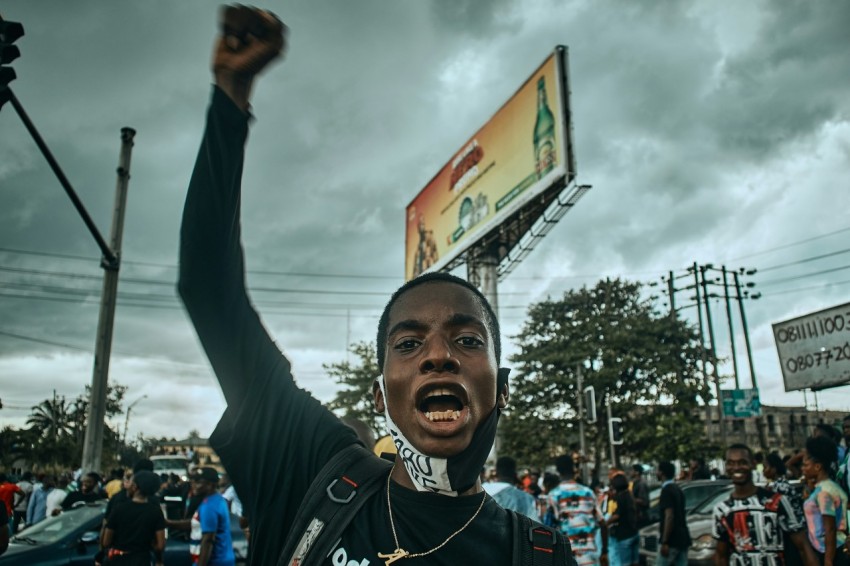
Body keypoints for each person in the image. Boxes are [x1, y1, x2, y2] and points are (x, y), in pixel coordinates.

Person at [177, 5, 574, 566]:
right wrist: (230, 97)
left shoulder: (536, 552)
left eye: (467, 339)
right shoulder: (313, 474)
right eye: (408, 344)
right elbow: (208, 288)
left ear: (501, 389)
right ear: (379, 394)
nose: (438, 355)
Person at [712, 443, 817, 566]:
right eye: (731, 463)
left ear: (753, 464)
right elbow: (721, 556)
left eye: (742, 462)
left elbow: (803, 547)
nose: (736, 467)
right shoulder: (722, 510)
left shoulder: (777, 502)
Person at [548, 455, 606, 565]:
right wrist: (605, 551)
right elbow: (602, 523)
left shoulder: (554, 495)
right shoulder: (588, 492)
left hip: (566, 557)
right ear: (574, 469)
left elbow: (549, 528)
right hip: (590, 556)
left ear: (558, 471)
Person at [801, 435, 848, 566]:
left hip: (831, 552)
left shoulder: (824, 492)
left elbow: (830, 528)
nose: (803, 469)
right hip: (833, 549)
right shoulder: (829, 487)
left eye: (806, 465)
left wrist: (828, 560)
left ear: (817, 467)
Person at [102, 470, 166, 566]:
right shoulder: (155, 512)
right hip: (142, 560)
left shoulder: (119, 509)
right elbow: (160, 545)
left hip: (118, 560)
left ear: (135, 487)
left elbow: (106, 542)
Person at [764, 451, 807, 566]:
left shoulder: (780, 487)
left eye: (766, 467)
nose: (764, 471)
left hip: (791, 533)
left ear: (774, 469)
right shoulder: (781, 484)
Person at [190, 467, 235, 566]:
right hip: (224, 558)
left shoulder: (209, 507)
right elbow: (200, 522)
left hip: (215, 561)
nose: (194, 485)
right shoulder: (216, 499)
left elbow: (208, 540)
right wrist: (170, 523)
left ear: (210, 485)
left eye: (198, 482)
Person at [483, 456, 540, 521]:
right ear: (515, 474)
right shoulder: (526, 498)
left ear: (496, 472)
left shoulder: (483, 490)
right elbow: (534, 523)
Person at [656, 461, 691, 566]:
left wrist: (665, 541)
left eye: (657, 470)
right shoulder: (678, 489)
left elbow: (669, 516)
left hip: (672, 540)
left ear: (662, 473)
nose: (656, 473)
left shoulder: (666, 491)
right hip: (683, 538)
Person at [605, 474, 638, 566]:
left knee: (625, 563)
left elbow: (617, 516)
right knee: (635, 562)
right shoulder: (629, 494)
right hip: (634, 532)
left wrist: (605, 523)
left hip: (624, 535)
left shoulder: (620, 497)